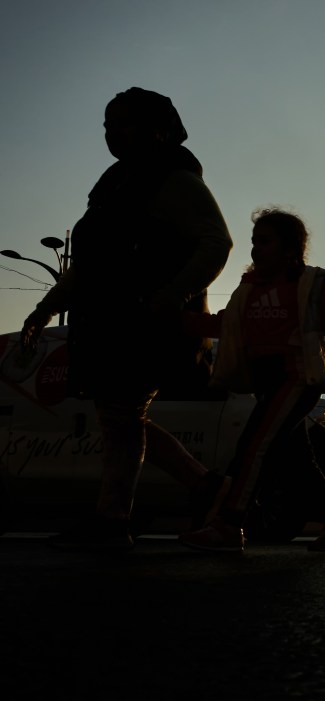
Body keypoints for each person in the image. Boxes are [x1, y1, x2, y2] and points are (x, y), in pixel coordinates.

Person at [20, 87, 233, 551]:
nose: (113, 134)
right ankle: (205, 487)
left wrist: (171, 295)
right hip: (107, 320)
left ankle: (114, 518)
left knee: (120, 415)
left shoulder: (173, 179)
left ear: (158, 128)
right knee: (118, 416)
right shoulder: (114, 184)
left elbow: (216, 242)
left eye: (125, 124)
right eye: (107, 126)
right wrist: (44, 308)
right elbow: (89, 265)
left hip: (143, 318)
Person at [178, 208, 325, 553]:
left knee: (253, 447)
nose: (256, 249)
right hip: (265, 382)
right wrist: (177, 319)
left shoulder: (310, 283)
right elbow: (224, 325)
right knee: (294, 458)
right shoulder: (249, 289)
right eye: (254, 242)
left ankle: (229, 525)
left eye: (265, 241)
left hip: (296, 377)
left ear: (291, 247)